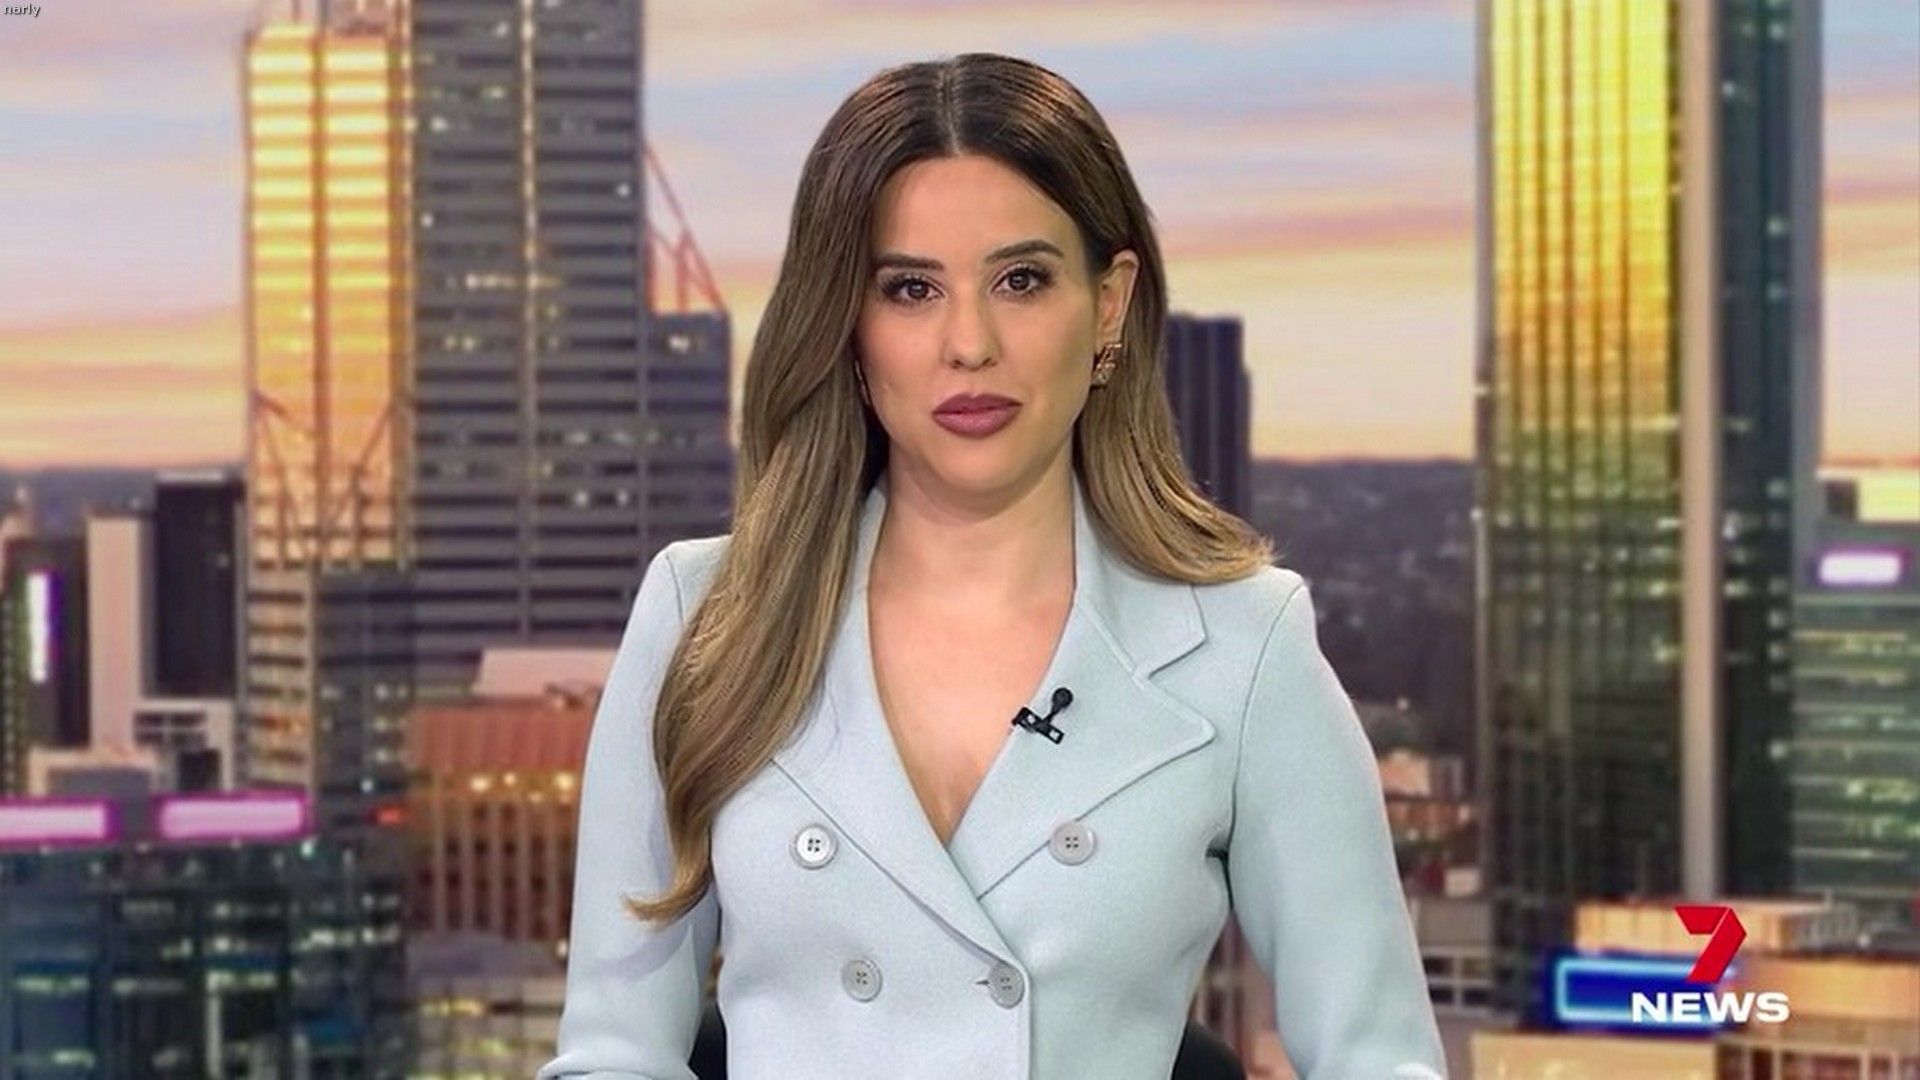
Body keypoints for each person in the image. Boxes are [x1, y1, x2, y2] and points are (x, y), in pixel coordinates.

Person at [536, 51, 1447, 1080]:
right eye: (910, 289)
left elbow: (1380, 1061)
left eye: (1021, 280)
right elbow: (613, 1056)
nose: (968, 343)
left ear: (1109, 305)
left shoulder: (1242, 644)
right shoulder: (704, 614)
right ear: (847, 324)